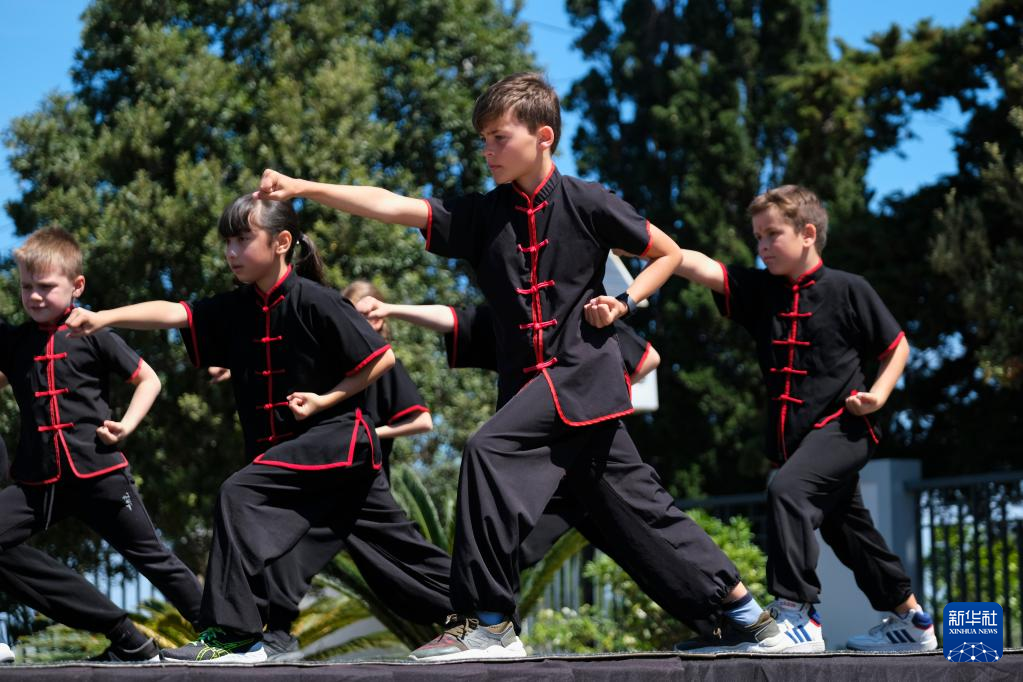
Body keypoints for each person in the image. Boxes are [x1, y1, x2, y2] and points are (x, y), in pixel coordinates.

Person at [256, 72, 785, 660]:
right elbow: (392, 205)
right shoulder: (483, 215)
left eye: (498, 137)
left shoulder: (588, 200)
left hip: (580, 379)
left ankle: (489, 624)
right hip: (534, 398)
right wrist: (305, 188)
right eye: (482, 139)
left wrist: (625, 301)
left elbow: (668, 253)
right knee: (636, 512)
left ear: (543, 136)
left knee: (487, 450)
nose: (487, 151)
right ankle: (746, 617)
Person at [670, 184, 936, 652]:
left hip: (845, 430)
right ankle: (913, 622)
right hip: (799, 444)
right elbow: (696, 264)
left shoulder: (850, 288)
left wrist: (877, 395)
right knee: (848, 530)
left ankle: (798, 614)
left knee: (787, 492)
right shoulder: (760, 291)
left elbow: (896, 346)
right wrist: (638, 238)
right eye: (757, 237)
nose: (762, 245)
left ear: (808, 233)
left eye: (772, 234)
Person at [0, 227, 203, 661]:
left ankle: (227, 635)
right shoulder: (14, 342)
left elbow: (149, 379)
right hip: (39, 484)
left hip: (99, 474)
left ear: (77, 286)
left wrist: (126, 425)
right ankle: (124, 636)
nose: (34, 296)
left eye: (45, 287)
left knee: (151, 556)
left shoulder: (94, 332)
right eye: (26, 287)